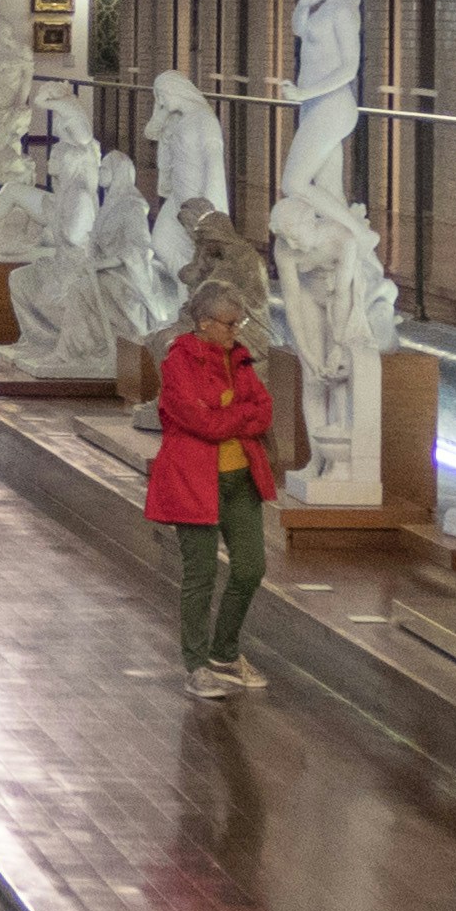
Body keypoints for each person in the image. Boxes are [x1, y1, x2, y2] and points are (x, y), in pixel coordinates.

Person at [146, 272, 294, 700]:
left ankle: (225, 653)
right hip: (194, 480)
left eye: (239, 323)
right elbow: (199, 423)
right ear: (205, 322)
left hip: (240, 479)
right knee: (201, 573)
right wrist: (236, 416)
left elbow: (263, 409)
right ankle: (195, 663)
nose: (236, 330)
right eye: (230, 323)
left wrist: (227, 415)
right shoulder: (178, 363)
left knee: (251, 567)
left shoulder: (240, 358)